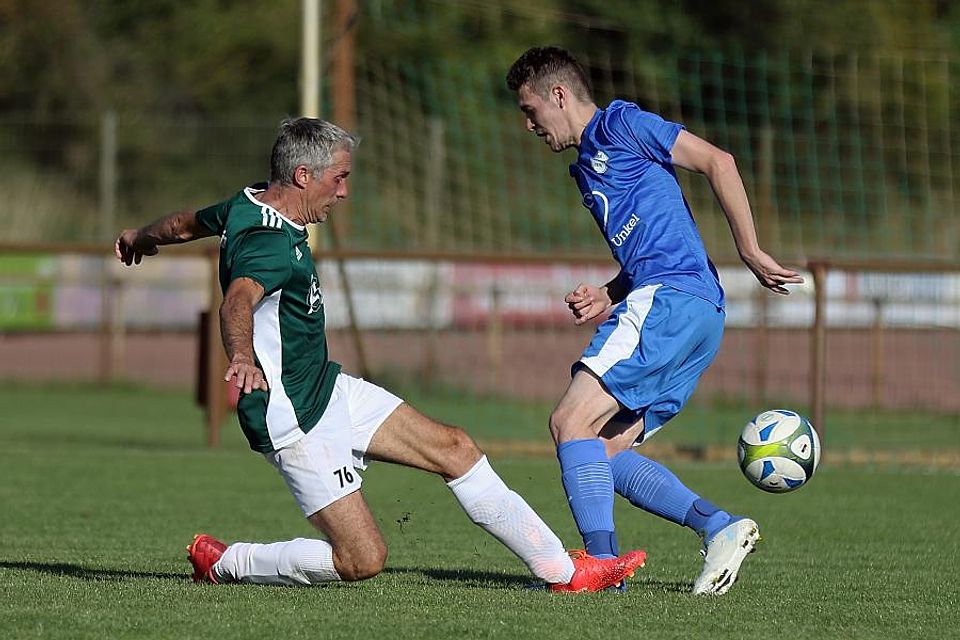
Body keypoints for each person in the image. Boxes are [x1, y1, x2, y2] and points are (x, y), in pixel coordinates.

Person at [114, 117, 646, 592]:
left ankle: (567, 573)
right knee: (362, 560)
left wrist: (142, 235)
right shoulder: (269, 244)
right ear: (303, 176)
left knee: (455, 447)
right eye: (338, 178)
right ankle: (229, 562)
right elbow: (238, 302)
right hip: (291, 415)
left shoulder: (245, 202)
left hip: (324, 387)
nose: (344, 192)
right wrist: (242, 355)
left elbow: (187, 224)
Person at [505, 47, 804, 595]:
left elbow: (719, 161)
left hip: (672, 301)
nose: (527, 125)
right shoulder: (587, 165)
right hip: (696, 310)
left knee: (570, 422)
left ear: (559, 95)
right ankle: (720, 526)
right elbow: (652, 246)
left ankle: (599, 568)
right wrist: (610, 291)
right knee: (605, 451)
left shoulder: (621, 123)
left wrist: (750, 250)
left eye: (530, 110)